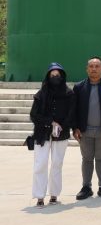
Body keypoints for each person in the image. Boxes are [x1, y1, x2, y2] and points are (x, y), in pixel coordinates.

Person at [72, 56, 101, 200]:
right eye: (91, 66)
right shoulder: (79, 87)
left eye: (97, 66)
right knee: (86, 159)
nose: (94, 69)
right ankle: (86, 187)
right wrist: (75, 128)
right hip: (84, 131)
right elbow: (73, 109)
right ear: (87, 69)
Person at [30, 63, 75, 207]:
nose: (55, 78)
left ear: (62, 77)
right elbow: (34, 115)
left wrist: (61, 125)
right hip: (42, 133)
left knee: (57, 164)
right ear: (48, 77)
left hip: (61, 134)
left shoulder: (69, 94)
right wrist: (51, 123)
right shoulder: (41, 93)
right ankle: (39, 196)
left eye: (58, 75)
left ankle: (54, 194)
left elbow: (71, 114)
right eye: (52, 75)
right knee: (40, 164)